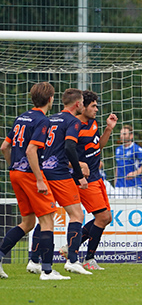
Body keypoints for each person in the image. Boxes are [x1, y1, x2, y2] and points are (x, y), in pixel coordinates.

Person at [0, 82, 70, 280]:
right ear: (51, 99)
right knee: (47, 220)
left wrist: (15, 167)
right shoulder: (43, 121)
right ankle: (47, 271)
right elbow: (31, 150)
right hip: (31, 176)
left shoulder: (21, 117)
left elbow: (5, 147)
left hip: (16, 173)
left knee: (28, 222)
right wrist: (39, 179)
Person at [41, 88, 91, 275]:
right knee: (77, 214)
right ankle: (72, 260)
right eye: (83, 103)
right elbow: (70, 146)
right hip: (59, 173)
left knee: (46, 217)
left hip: (42, 172)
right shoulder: (73, 121)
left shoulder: (50, 119)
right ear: (78, 104)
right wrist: (78, 174)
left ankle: (35, 260)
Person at [71, 90, 118, 270]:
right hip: (84, 180)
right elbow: (65, 153)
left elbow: (98, 145)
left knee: (106, 218)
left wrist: (108, 129)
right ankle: (89, 259)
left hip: (96, 177)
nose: (97, 109)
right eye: (94, 106)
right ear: (82, 107)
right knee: (103, 217)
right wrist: (79, 168)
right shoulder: (74, 127)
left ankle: (71, 247)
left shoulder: (93, 123)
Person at [114, 125, 142, 198]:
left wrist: (135, 173)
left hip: (134, 186)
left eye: (124, 134)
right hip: (119, 186)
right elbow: (118, 167)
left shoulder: (136, 149)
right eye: (120, 134)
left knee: (134, 208)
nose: (121, 136)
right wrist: (115, 181)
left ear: (131, 136)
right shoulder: (118, 149)